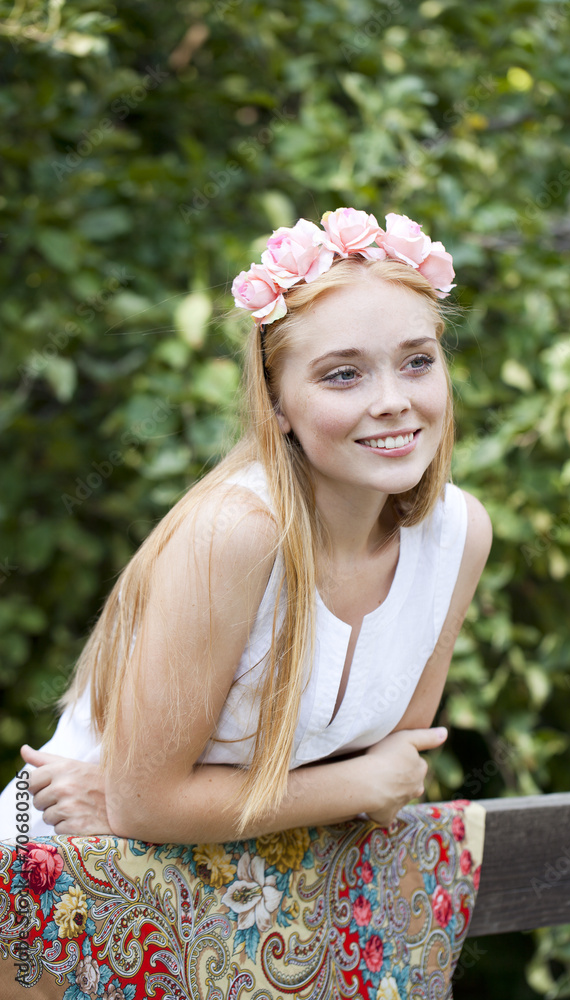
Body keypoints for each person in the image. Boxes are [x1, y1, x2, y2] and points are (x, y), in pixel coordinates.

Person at [0, 207, 492, 847]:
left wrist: (172, 804)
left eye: (417, 361)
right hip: (67, 862)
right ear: (277, 402)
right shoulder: (238, 532)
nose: (393, 401)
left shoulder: (457, 535)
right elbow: (151, 806)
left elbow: (393, 769)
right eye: (343, 374)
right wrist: (354, 786)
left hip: (243, 882)